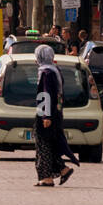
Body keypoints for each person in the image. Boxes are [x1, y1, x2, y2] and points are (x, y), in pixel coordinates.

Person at [33, 44, 78, 187]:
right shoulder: (54, 70)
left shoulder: (46, 72)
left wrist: (45, 116)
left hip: (46, 114)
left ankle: (47, 177)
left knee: (44, 145)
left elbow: (44, 94)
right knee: (50, 144)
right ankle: (63, 170)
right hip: (56, 113)